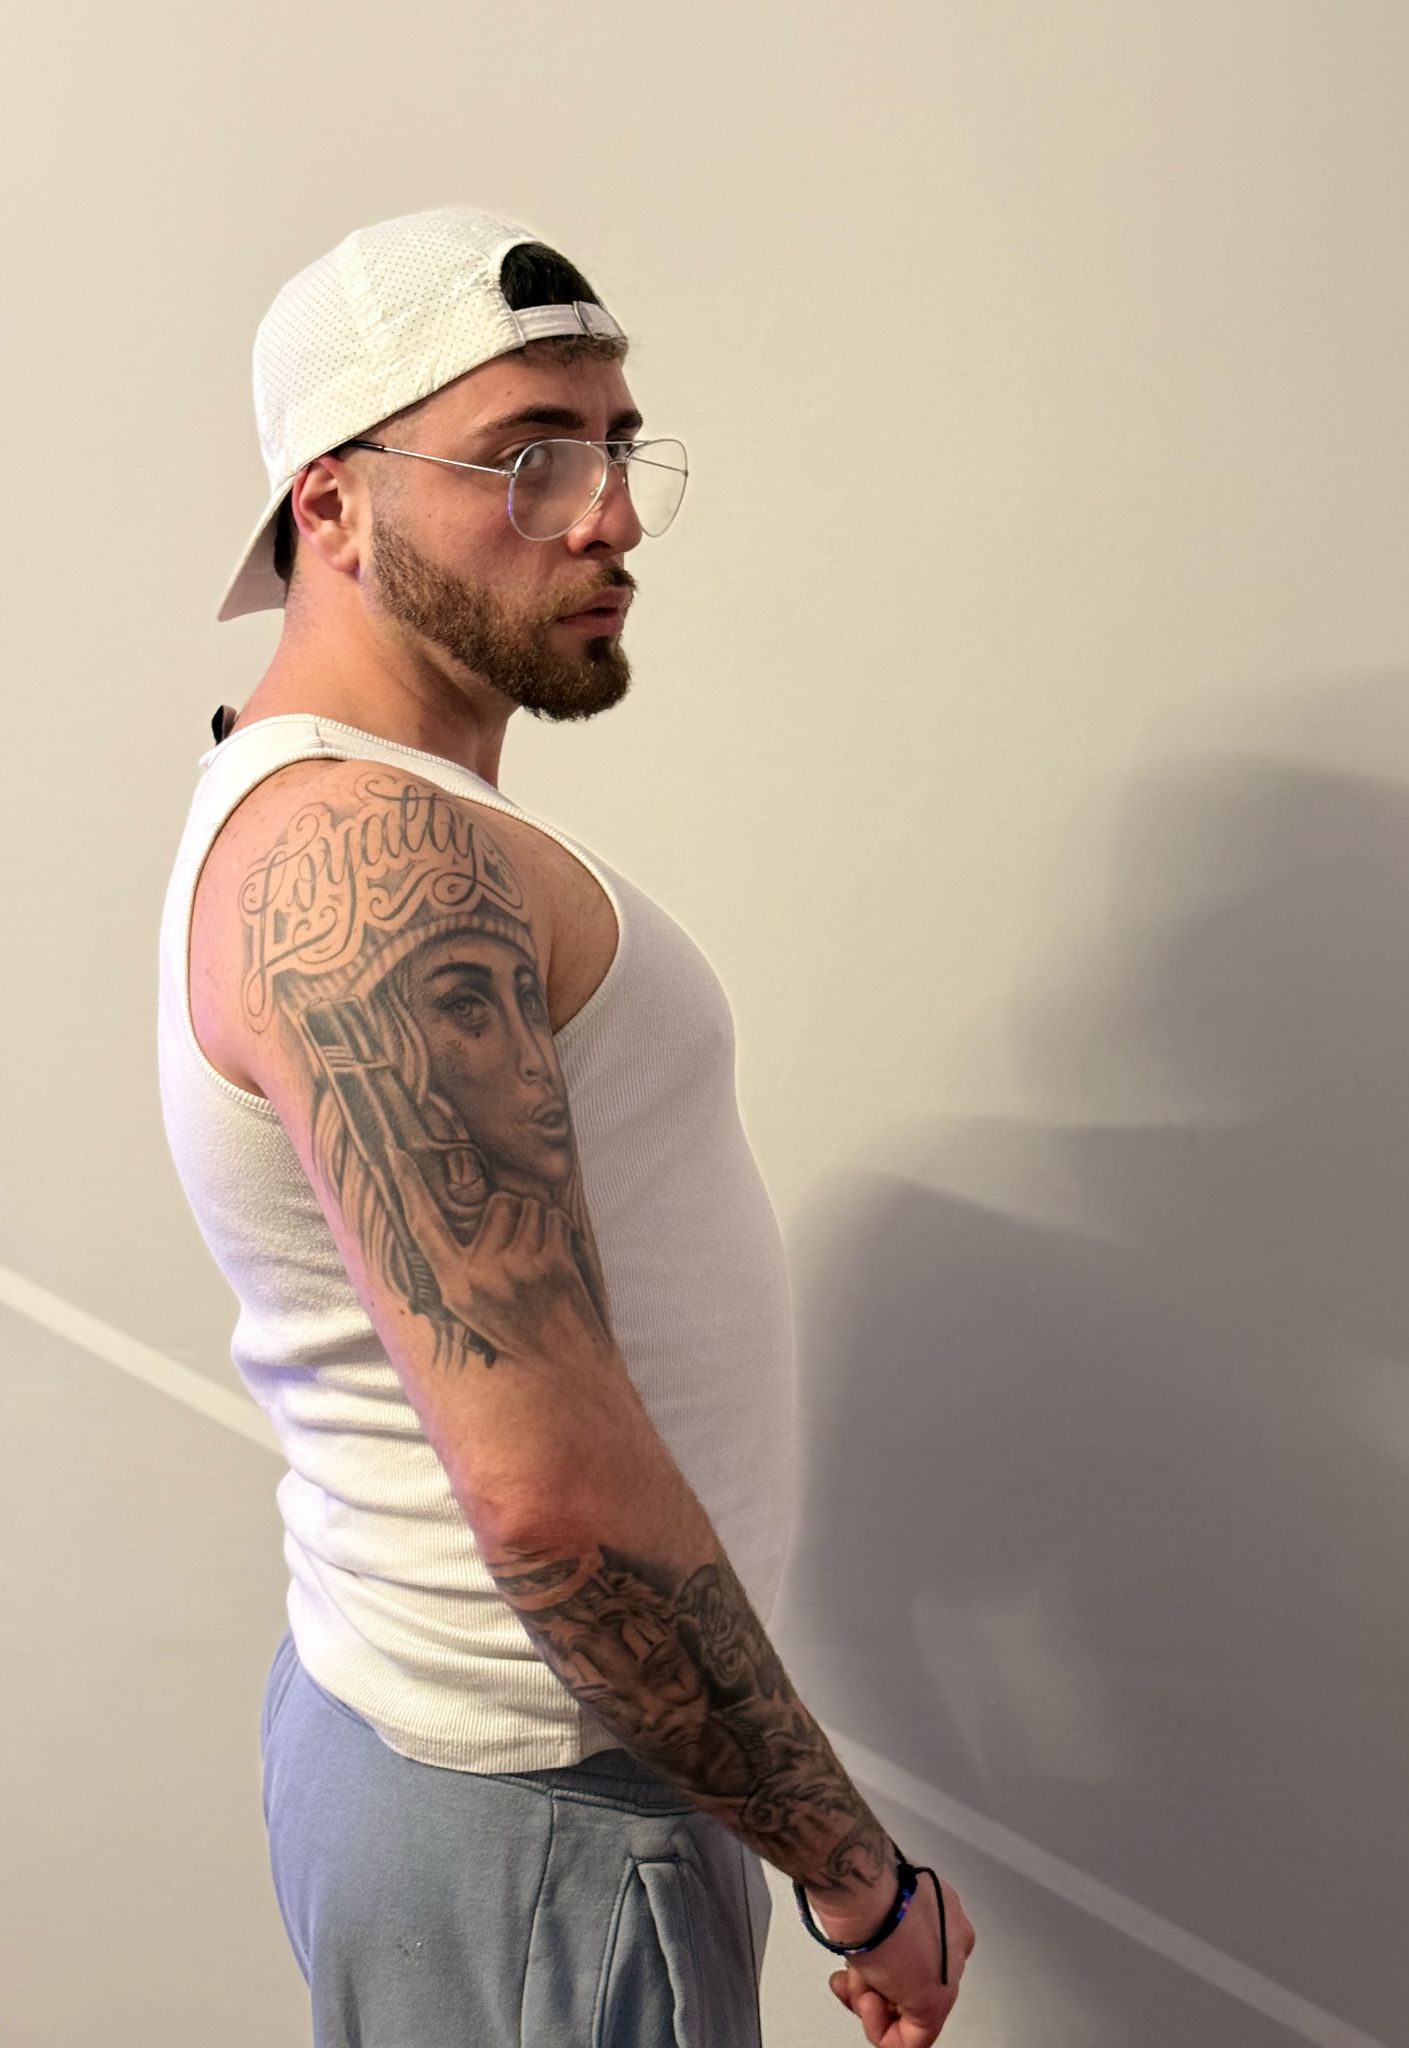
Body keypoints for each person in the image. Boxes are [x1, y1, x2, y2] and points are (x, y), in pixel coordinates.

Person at [156, 204, 975, 2047]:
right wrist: (858, 1879)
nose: (607, 515)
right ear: (331, 505)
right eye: (529, 457)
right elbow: (551, 1501)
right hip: (550, 1822)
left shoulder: (360, 815)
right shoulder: (373, 865)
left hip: (525, 1792)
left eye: (617, 448)